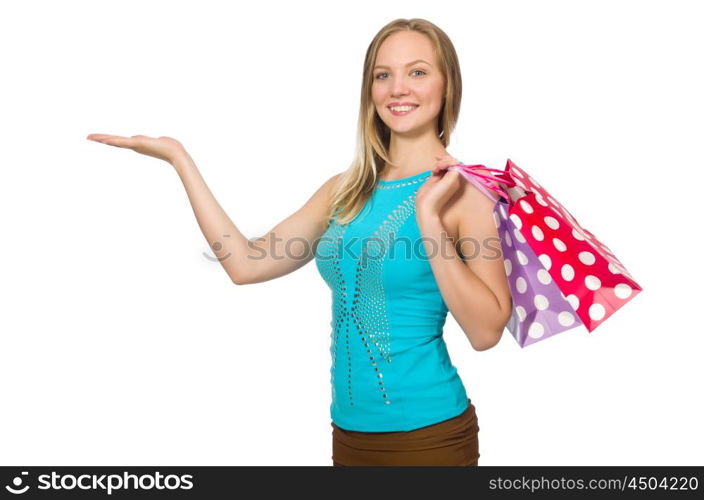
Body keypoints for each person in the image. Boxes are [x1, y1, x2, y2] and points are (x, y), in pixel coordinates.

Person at [86, 17, 512, 467]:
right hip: (348, 435)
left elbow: (486, 333)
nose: (397, 88)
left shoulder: (465, 194)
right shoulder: (344, 190)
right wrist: (180, 159)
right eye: (382, 75)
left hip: (428, 438)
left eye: (418, 72)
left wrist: (428, 218)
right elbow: (246, 264)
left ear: (448, 86)